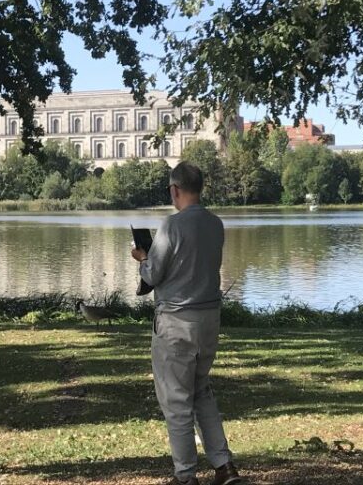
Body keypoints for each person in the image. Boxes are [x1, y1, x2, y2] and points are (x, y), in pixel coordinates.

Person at [131, 162, 244, 485]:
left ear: (174, 190)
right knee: (201, 391)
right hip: (209, 318)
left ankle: (185, 475)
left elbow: (154, 274)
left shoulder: (171, 226)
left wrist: (143, 259)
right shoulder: (216, 224)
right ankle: (224, 466)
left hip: (176, 321)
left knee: (176, 400)